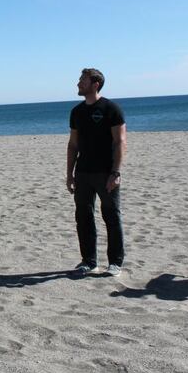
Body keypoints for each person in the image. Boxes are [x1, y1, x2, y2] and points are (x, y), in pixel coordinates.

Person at [66, 68, 127, 277]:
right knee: (83, 217)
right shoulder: (77, 112)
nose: (78, 83)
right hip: (83, 172)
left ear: (95, 84)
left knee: (111, 215)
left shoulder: (111, 109)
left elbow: (120, 142)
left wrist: (116, 172)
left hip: (106, 173)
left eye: (82, 80)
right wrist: (69, 174)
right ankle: (89, 261)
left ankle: (115, 263)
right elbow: (73, 145)